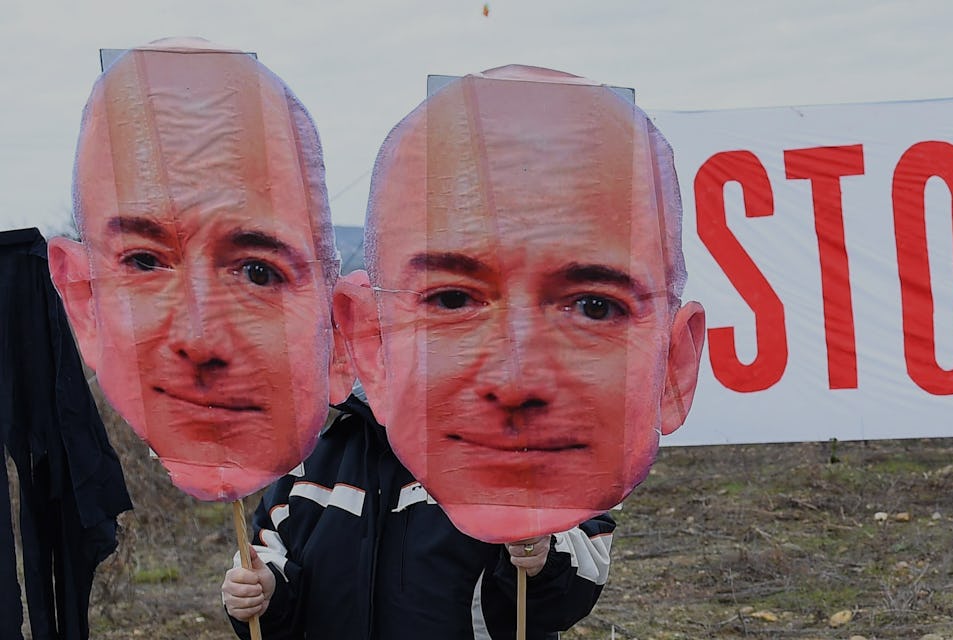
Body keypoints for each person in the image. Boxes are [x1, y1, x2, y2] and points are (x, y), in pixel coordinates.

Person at [331, 64, 705, 542]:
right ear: (370, 344)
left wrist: (543, 561)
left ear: (674, 368)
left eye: (594, 307)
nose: (516, 382)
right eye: (451, 299)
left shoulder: (576, 502)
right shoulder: (328, 466)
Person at [47, 38, 347, 502]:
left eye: (258, 273)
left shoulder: (349, 473)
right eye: (144, 261)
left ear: (338, 325)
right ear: (83, 297)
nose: (201, 339)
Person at [220, 391, 611, 638]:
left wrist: (543, 554)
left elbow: (572, 589)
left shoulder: (522, 446)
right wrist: (263, 591)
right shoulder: (313, 460)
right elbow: (268, 557)